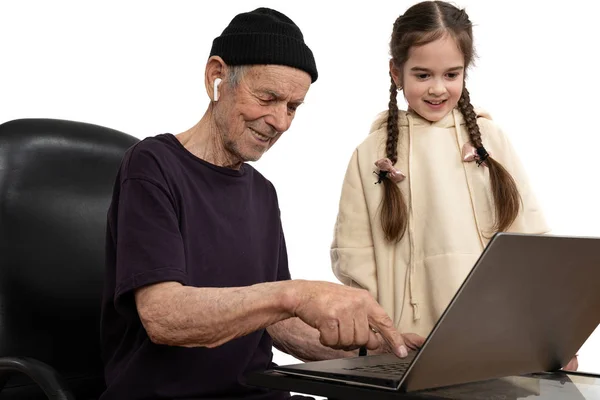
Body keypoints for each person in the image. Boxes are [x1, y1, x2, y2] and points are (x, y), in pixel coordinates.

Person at [99, 7, 424, 400]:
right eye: (267, 97)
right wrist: (294, 294)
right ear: (217, 76)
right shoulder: (152, 165)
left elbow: (276, 325)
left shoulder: (262, 192)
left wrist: (381, 351)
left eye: (293, 107)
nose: (281, 122)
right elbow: (163, 316)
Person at [330, 0, 578, 371]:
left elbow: (531, 243)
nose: (437, 89)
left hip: (497, 341)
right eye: (422, 74)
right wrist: (383, 333)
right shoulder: (369, 155)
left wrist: (550, 334)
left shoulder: (491, 140)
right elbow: (355, 260)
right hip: (407, 349)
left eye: (451, 74)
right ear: (395, 73)